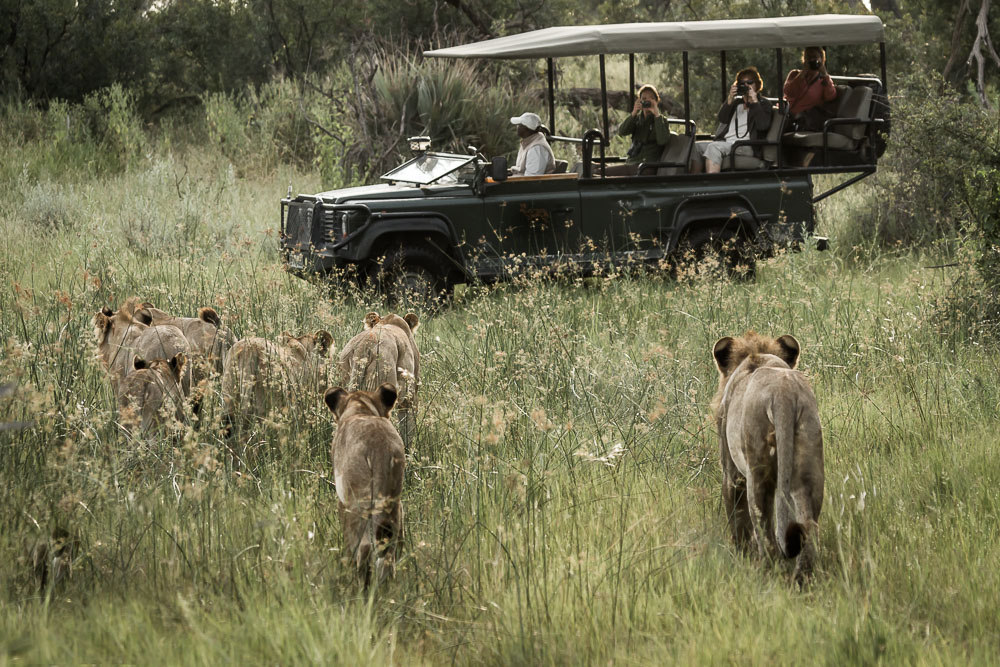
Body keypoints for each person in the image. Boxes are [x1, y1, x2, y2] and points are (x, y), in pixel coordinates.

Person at [691, 67, 773, 174]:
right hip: (726, 143)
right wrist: (729, 99)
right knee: (696, 147)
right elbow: (722, 118)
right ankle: (696, 183)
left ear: (757, 84)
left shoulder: (763, 104)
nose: (746, 86)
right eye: (742, 83)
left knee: (714, 147)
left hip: (746, 146)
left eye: (750, 82)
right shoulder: (736, 103)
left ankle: (711, 186)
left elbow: (763, 125)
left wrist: (754, 101)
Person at [611, 84, 671, 175]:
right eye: (643, 99)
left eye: (651, 99)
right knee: (596, 170)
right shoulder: (637, 120)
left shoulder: (661, 121)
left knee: (600, 174)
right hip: (633, 162)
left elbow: (662, 141)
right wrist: (634, 113)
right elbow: (622, 131)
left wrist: (656, 114)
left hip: (646, 166)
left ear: (656, 101)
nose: (647, 101)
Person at [783, 46, 838, 131]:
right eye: (808, 57)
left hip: (803, 119)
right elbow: (788, 91)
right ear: (804, 59)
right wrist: (803, 74)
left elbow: (831, 96)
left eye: (815, 57)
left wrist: (825, 75)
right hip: (786, 114)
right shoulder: (794, 74)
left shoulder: (823, 80)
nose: (812, 60)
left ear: (822, 60)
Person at [509, 112, 555, 176]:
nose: (517, 127)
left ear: (527, 129)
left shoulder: (537, 148)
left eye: (519, 125)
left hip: (524, 184)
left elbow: (532, 178)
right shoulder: (529, 142)